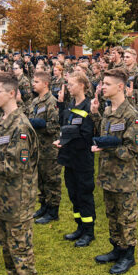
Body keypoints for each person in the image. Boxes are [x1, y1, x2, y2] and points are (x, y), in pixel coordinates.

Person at [0, 72, 39, 275]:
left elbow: (16, 166)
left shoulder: (20, 126)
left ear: (12, 93)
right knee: (7, 245)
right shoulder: (4, 120)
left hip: (16, 198)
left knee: (20, 249)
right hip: (1, 194)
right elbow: (3, 148)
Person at [90, 68, 138, 275]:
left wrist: (109, 147)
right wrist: (95, 116)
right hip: (108, 174)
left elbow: (133, 149)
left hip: (125, 177)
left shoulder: (131, 115)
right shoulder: (108, 111)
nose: (102, 87)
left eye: (107, 84)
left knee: (126, 217)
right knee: (112, 214)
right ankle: (117, 248)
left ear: (120, 87)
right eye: (102, 83)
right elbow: (104, 136)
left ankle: (128, 255)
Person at [55, 72, 96, 247]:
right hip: (69, 158)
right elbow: (63, 125)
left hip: (82, 159)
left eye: (71, 84)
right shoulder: (70, 105)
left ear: (81, 85)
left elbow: (87, 135)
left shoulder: (89, 106)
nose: (68, 87)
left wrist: (67, 139)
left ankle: (89, 231)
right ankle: (79, 226)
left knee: (84, 194)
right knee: (73, 194)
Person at [28, 71, 61, 225]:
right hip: (37, 147)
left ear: (45, 84)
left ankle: (53, 210)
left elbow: (54, 127)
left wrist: (39, 125)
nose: (33, 84)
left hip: (49, 148)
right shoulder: (35, 102)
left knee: (51, 179)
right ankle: (44, 205)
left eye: (36, 82)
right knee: (40, 178)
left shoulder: (51, 101)